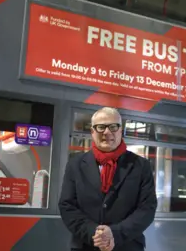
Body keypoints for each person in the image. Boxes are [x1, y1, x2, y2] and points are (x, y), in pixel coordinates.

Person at [59, 107, 157, 251]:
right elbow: (67, 206)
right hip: (85, 245)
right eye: (101, 127)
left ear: (120, 130)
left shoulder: (141, 166)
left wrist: (114, 234)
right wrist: (95, 234)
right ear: (92, 131)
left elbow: (147, 209)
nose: (107, 132)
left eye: (113, 127)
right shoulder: (75, 165)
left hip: (127, 245)